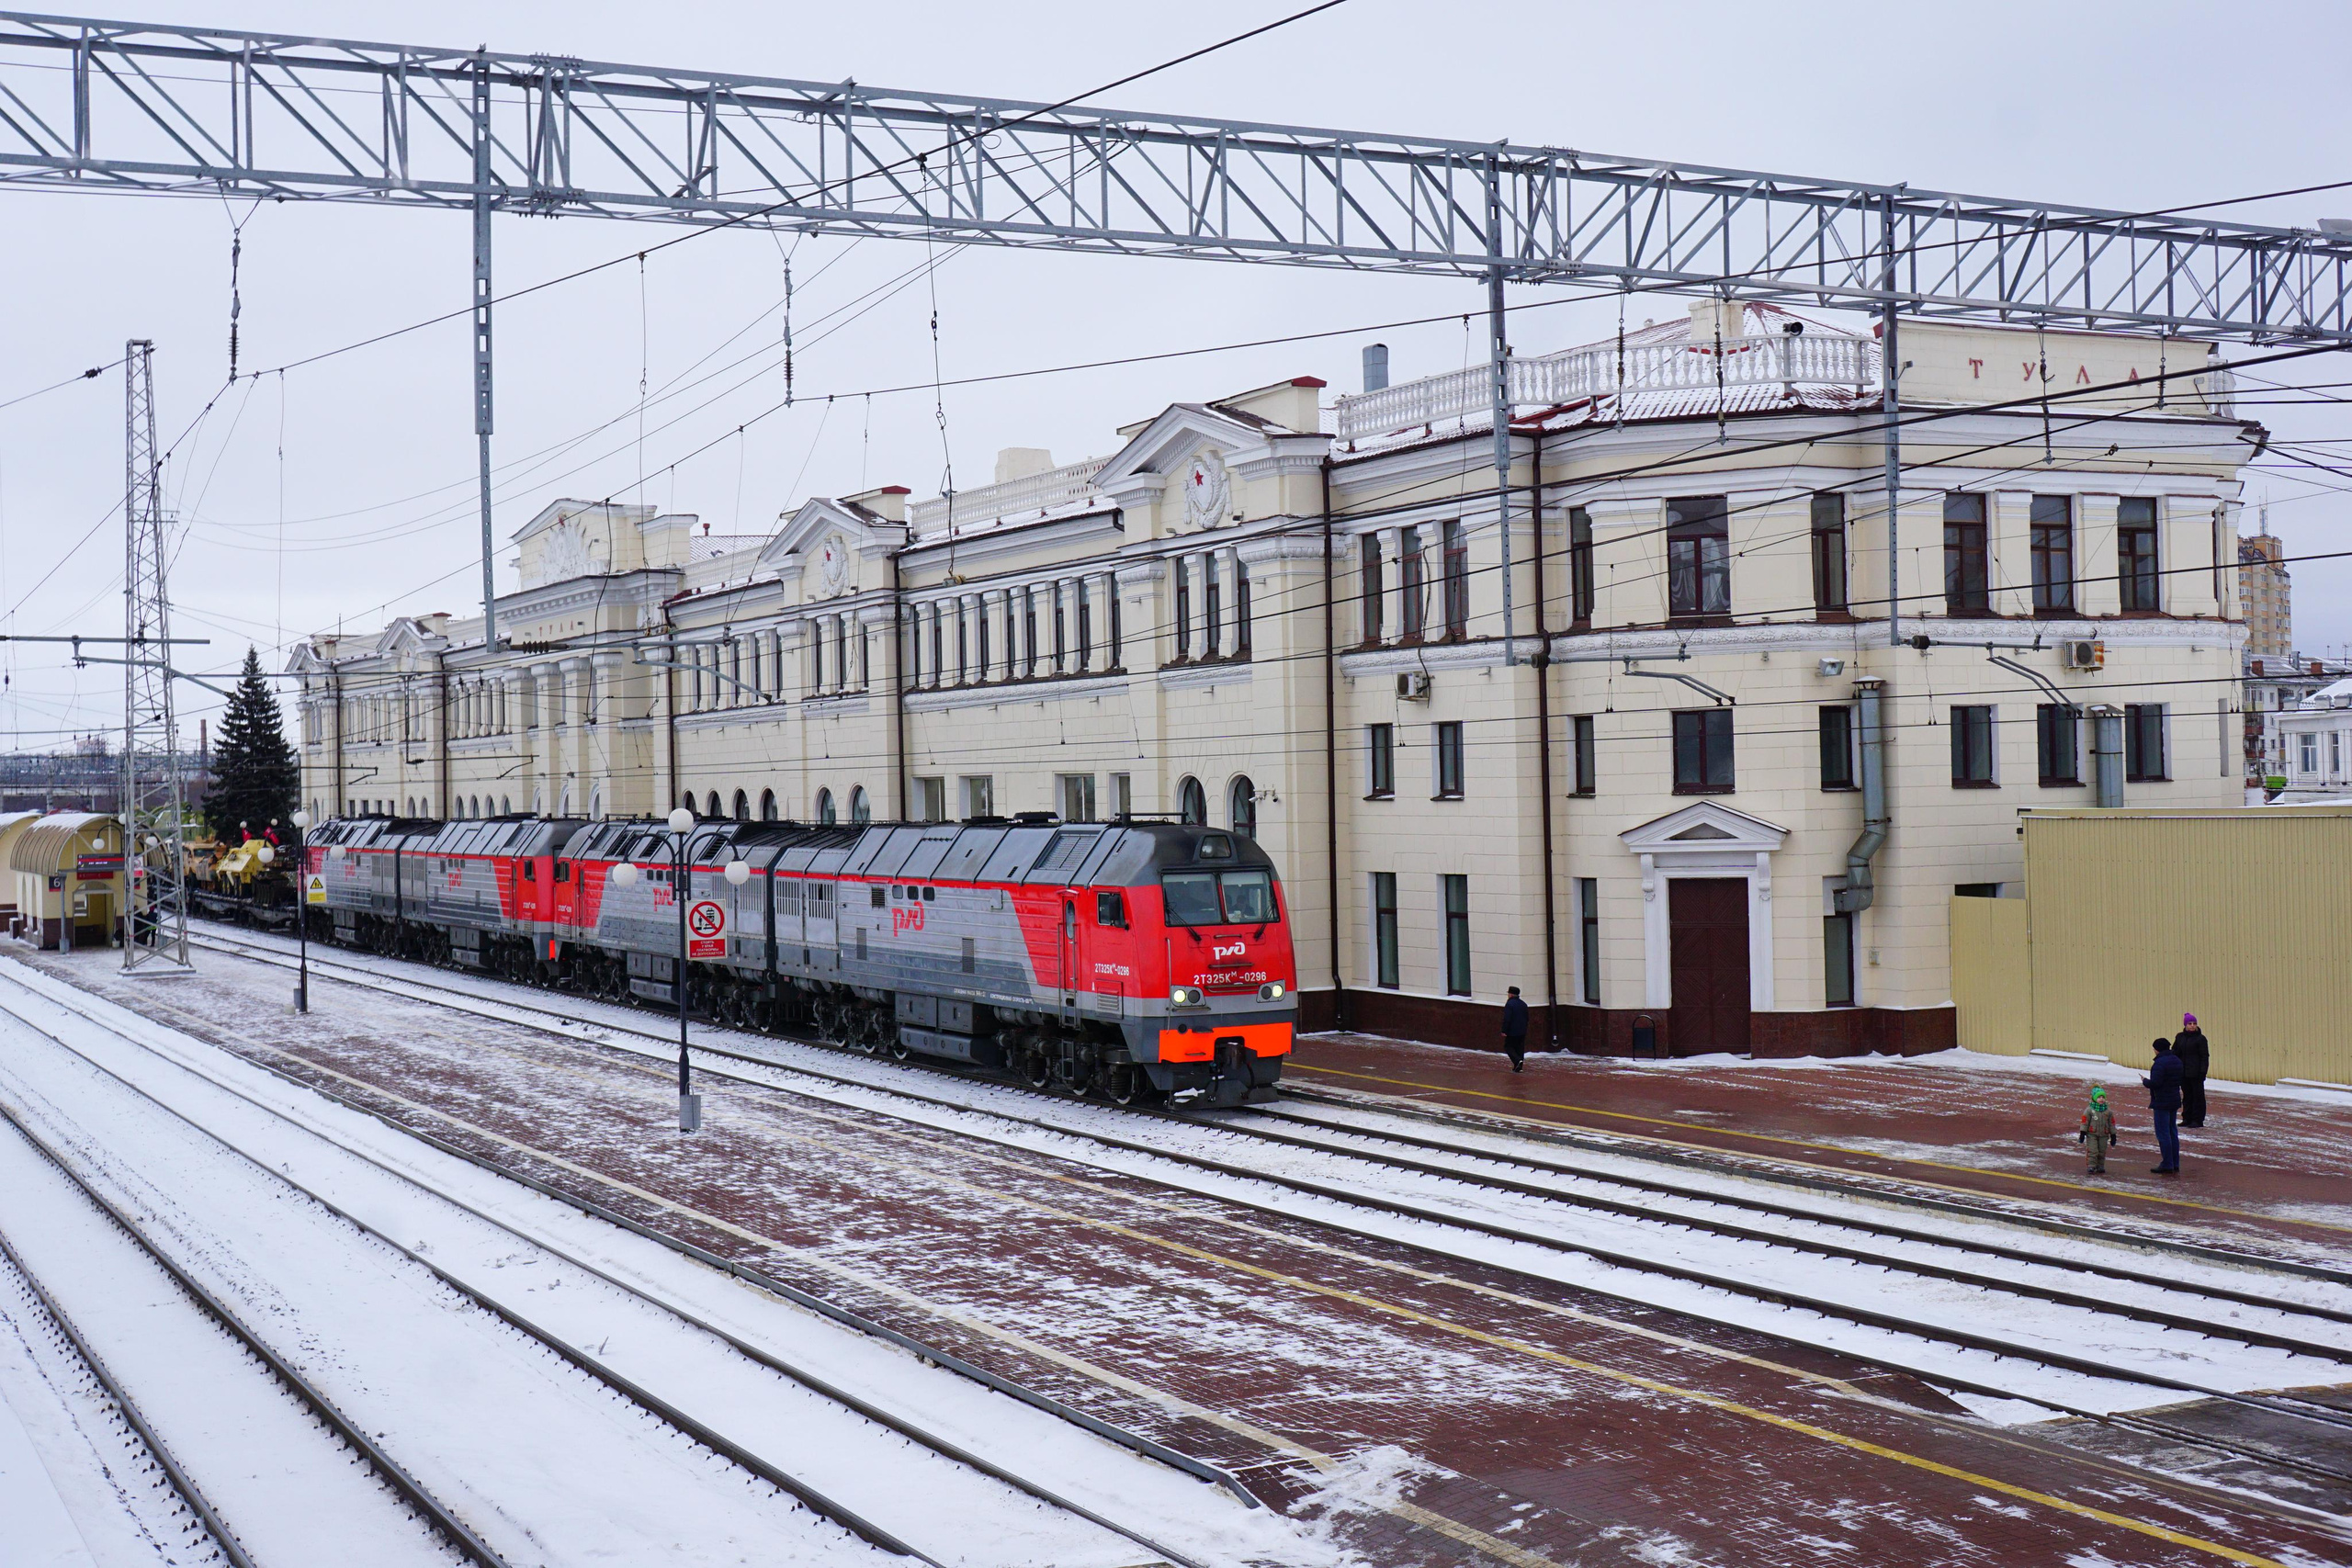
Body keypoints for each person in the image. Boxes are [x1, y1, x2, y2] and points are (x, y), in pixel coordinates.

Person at [2142, 1036, 2185, 1176]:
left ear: (2157, 1049)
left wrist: (2145, 1081)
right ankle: (2174, 1162)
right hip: (2174, 1100)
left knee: (2163, 1133)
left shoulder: (2159, 1063)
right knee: (2172, 1132)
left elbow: (2156, 1083)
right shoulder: (2177, 1060)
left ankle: (2167, 1163)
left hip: (2162, 1101)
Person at [2173, 1013, 2211, 1129]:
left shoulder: (2201, 1039)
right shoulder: (2180, 1037)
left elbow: (2205, 1056)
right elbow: (2175, 1052)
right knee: (2187, 1096)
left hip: (2196, 1073)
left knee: (2197, 1097)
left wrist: (2202, 1072)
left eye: (2194, 1024)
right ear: (2185, 1025)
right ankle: (2187, 1118)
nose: (2192, 1026)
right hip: (2183, 1073)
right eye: (2190, 1024)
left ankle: (2197, 1120)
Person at [2076, 1086, 2120, 1175]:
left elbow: (2112, 1124)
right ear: (2094, 1098)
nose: (2101, 1099)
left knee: (2102, 1151)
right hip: (2092, 1134)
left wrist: (2113, 1135)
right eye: (2099, 1097)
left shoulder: (2108, 1111)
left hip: (2104, 1134)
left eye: (2103, 1097)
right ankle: (2091, 1166)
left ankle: (2100, 1166)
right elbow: (2085, 1122)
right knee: (2093, 1151)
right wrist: (2082, 1133)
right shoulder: (2089, 1110)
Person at [1501, 986, 1529, 1073]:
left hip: (1512, 1031)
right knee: (1519, 1047)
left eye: (1509, 993)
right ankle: (1519, 1066)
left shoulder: (1509, 1004)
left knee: (1508, 1046)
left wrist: (1504, 1030)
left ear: (1511, 995)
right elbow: (1527, 1018)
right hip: (1522, 1030)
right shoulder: (1523, 1004)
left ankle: (1517, 1061)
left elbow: (1507, 1019)